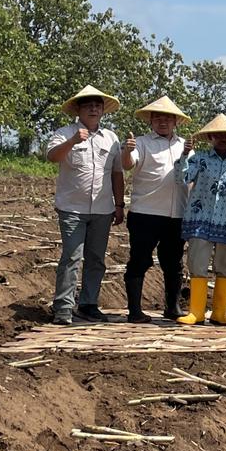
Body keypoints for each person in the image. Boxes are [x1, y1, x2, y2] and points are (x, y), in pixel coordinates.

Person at [45, 86, 124, 324]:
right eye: (88, 105)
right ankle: (63, 308)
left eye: (97, 106)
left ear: (103, 111)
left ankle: (89, 304)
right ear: (78, 110)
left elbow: (117, 173)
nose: (93, 109)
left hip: (102, 209)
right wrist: (71, 142)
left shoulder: (111, 138)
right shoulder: (65, 133)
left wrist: (119, 204)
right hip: (72, 208)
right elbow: (52, 157)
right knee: (71, 256)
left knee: (96, 259)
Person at [175, 114, 226, 325]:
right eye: (218, 134)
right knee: (197, 265)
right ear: (210, 137)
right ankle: (196, 313)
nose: (223, 138)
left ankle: (220, 313)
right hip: (200, 221)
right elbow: (181, 178)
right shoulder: (199, 159)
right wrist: (184, 154)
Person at [122, 96, 190, 323]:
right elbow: (128, 163)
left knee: (174, 262)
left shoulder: (184, 146)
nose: (163, 122)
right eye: (158, 118)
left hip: (176, 214)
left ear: (176, 122)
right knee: (139, 260)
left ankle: (173, 307)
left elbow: (192, 176)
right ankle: (134, 310)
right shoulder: (141, 143)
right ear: (150, 121)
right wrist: (126, 151)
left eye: (168, 119)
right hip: (145, 213)